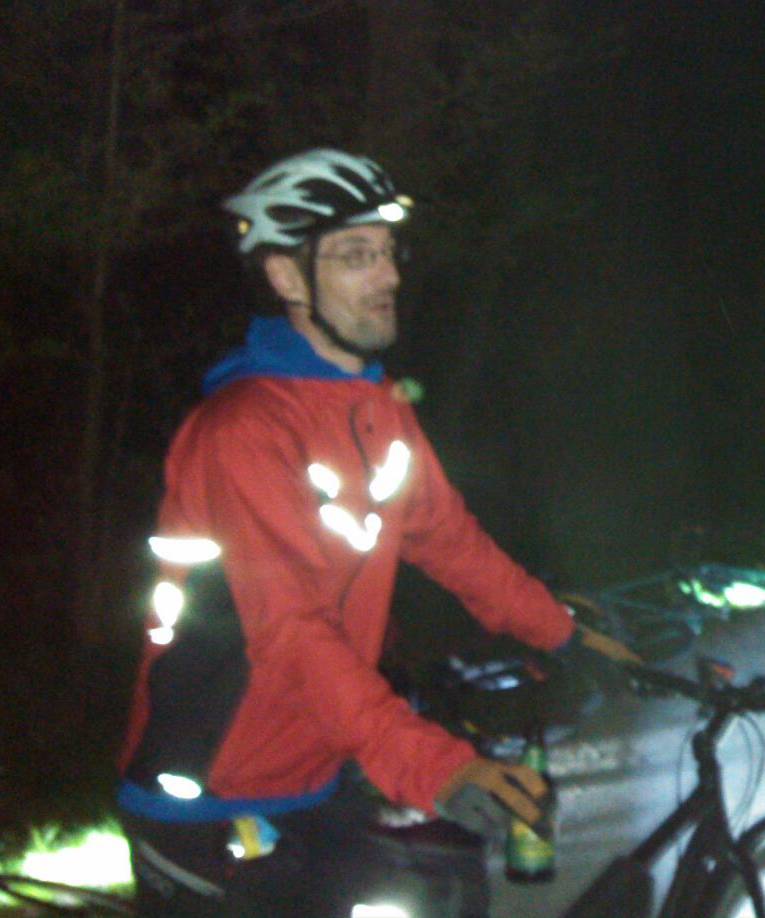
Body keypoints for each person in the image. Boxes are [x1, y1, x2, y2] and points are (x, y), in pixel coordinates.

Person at [115, 148, 640, 917]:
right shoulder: (244, 430)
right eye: (356, 255)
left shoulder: (374, 407)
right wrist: (436, 768)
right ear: (288, 278)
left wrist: (563, 633)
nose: (388, 275)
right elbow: (291, 632)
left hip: (316, 772)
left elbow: (451, 543)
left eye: (389, 252)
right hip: (208, 792)